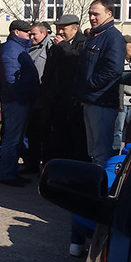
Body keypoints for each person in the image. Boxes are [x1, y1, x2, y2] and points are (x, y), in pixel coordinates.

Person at [77, 0, 126, 166]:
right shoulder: (94, 37)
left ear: (109, 14)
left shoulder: (113, 37)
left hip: (102, 102)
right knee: (93, 150)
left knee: (101, 151)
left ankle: (102, 187)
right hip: (91, 100)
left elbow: (113, 69)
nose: (92, 17)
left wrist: (90, 84)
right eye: (90, 13)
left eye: (96, 14)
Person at [0, 20, 39, 186]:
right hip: (16, 101)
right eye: (26, 31)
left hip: (19, 100)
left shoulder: (19, 48)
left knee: (16, 138)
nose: (29, 34)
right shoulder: (12, 49)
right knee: (11, 139)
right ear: (16, 32)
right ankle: (7, 175)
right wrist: (22, 96)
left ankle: (11, 171)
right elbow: (12, 78)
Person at [40, 13, 88, 162]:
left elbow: (78, 63)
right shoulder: (56, 45)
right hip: (55, 99)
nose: (60, 32)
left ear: (75, 29)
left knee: (73, 140)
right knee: (54, 139)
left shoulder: (83, 43)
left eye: (63, 29)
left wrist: (63, 46)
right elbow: (49, 70)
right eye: (58, 28)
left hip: (72, 101)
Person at [24, 22, 53, 174]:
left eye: (34, 34)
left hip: (43, 99)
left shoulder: (50, 47)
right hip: (32, 98)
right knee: (32, 134)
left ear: (44, 33)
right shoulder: (30, 47)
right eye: (30, 34)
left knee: (43, 136)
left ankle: (45, 168)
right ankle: (32, 165)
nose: (31, 36)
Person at [114, 35, 131, 151]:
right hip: (123, 101)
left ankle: (127, 152)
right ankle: (116, 153)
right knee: (119, 130)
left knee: (129, 131)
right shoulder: (120, 62)